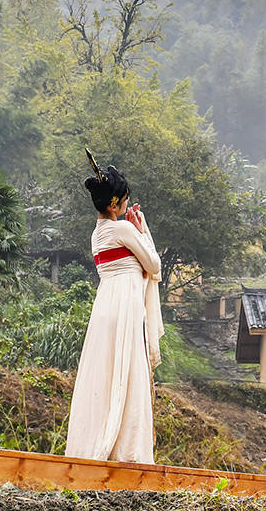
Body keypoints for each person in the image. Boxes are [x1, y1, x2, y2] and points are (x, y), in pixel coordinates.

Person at [64, 155, 163, 464]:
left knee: (104, 371)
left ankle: (97, 442)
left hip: (106, 302)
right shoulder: (122, 231)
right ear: (114, 204)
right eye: (125, 200)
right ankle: (127, 450)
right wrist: (142, 230)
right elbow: (154, 265)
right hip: (125, 304)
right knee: (128, 370)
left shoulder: (98, 234)